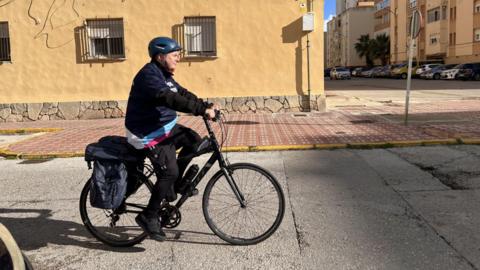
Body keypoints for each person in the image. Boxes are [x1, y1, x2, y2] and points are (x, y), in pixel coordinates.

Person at [125, 37, 218, 241]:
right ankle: (148, 216)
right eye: (174, 55)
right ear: (160, 57)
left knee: (194, 141)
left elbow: (181, 93)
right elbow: (169, 98)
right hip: (146, 132)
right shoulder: (148, 76)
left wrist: (205, 105)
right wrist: (200, 110)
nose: (178, 59)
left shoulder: (164, 75)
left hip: (163, 127)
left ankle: (174, 188)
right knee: (170, 172)